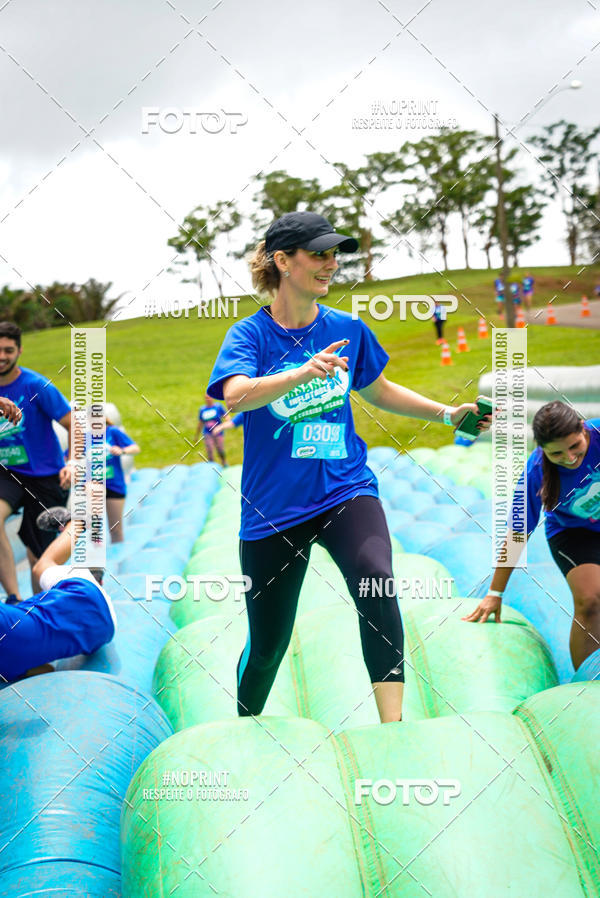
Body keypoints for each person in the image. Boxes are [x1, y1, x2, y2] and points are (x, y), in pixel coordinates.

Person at [207, 210, 491, 723]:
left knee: (376, 579)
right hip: (273, 509)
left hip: (345, 488)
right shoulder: (249, 335)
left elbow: (378, 390)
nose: (332, 263)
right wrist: (301, 372)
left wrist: (448, 414)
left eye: (335, 254)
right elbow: (236, 396)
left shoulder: (347, 329)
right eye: (319, 254)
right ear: (282, 261)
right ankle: (245, 729)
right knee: (269, 645)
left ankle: (393, 728)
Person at [465, 401, 600, 671]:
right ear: (542, 449)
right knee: (589, 600)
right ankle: (587, 682)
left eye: (575, 446)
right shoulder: (535, 472)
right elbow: (517, 533)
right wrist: (495, 593)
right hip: (574, 533)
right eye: (557, 453)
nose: (569, 458)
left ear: (583, 429)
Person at [0, 321, 72, 602]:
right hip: (7, 472)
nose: (2, 356)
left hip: (45, 476)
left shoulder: (36, 385)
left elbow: (74, 423)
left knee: (37, 556)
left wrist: (72, 461)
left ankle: (38, 606)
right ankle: (13, 597)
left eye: (8, 350)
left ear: (19, 351)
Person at [0, 508, 116, 683]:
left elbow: (47, 669)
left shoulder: (6, 671)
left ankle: (92, 576)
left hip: (101, 633)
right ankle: (76, 523)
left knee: (39, 615)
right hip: (85, 595)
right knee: (41, 566)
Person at [103, 415, 140, 543]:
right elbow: (68, 456)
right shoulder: (83, 437)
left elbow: (135, 448)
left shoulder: (112, 432)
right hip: (92, 487)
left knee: (115, 530)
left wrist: (122, 450)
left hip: (114, 485)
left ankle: (117, 552)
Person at [195, 394, 228, 465]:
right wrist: (196, 436)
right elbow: (200, 423)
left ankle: (224, 463)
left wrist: (227, 423)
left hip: (218, 432)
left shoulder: (218, 407)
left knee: (220, 449)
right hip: (207, 433)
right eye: (206, 398)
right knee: (209, 449)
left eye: (209, 398)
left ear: (212, 398)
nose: (208, 399)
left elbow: (226, 416)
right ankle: (211, 466)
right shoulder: (202, 409)